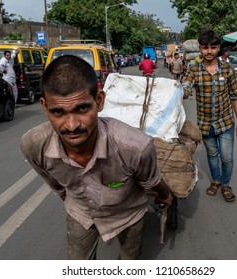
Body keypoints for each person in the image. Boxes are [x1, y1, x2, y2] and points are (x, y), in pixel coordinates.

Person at [20, 55, 172, 260]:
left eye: (82, 108)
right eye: (58, 112)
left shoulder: (135, 146)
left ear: (99, 101)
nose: (72, 125)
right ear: (45, 108)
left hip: (128, 215)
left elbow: (152, 181)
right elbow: (55, 184)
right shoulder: (33, 145)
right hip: (81, 214)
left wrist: (165, 195)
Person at [182, 28, 237, 202]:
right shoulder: (194, 68)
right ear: (200, 49)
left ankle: (226, 184)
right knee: (211, 155)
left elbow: (236, 96)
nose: (209, 51)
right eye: (205, 48)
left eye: (213, 47)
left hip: (226, 123)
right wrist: (182, 92)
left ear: (218, 49)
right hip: (205, 123)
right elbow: (186, 86)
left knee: (227, 157)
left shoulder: (227, 69)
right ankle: (216, 180)